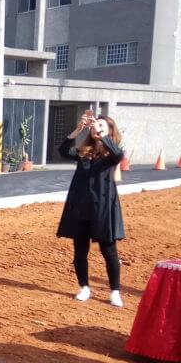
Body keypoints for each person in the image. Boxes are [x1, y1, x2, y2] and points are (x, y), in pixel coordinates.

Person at [55, 111, 126, 307]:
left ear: (110, 131)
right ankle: (84, 287)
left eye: (102, 126)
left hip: (103, 209)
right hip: (80, 207)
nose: (97, 128)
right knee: (80, 250)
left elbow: (119, 155)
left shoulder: (111, 154)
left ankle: (115, 291)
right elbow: (62, 151)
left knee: (109, 251)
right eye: (95, 126)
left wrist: (101, 134)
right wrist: (78, 129)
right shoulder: (84, 153)